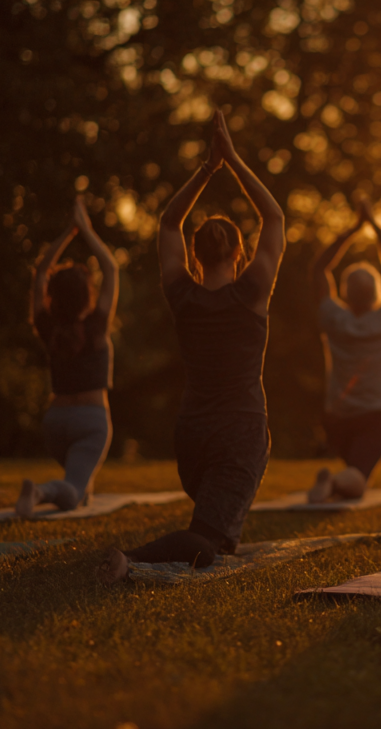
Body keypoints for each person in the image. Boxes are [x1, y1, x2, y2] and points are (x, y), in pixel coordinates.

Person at [99, 110, 284, 583]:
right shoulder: (251, 294)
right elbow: (274, 217)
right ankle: (129, 559)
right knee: (206, 542)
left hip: (191, 436)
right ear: (238, 253)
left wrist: (207, 168)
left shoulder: (182, 295)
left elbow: (168, 223)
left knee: (216, 526)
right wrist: (233, 160)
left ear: (195, 256)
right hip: (239, 433)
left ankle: (205, 529)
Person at [16, 196, 119, 517]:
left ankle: (77, 487)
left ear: (54, 297)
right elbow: (111, 269)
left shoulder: (49, 328)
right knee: (72, 491)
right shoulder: (96, 326)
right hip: (90, 422)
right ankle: (40, 491)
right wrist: (85, 230)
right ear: (87, 295)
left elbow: (40, 273)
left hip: (56, 424)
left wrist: (67, 234)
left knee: (80, 480)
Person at [307, 198, 381, 503]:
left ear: (345, 292)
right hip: (378, 414)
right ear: (377, 292)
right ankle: (335, 482)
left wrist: (352, 230)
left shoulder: (333, 319)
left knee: (354, 468)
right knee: (359, 477)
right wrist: (375, 226)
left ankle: (338, 481)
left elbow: (319, 269)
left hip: (337, 416)